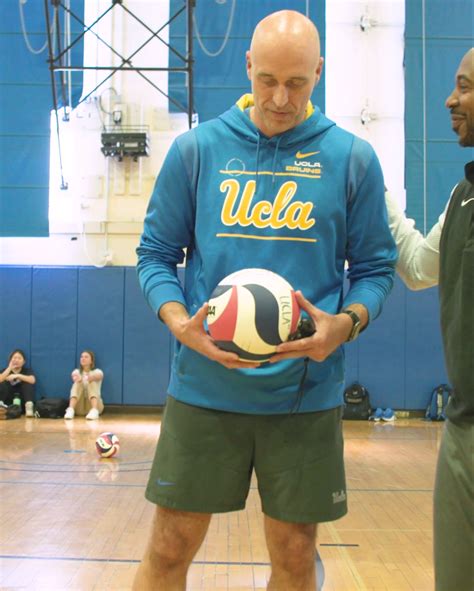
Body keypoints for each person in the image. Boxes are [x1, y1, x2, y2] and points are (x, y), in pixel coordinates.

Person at [134, 10, 397, 591]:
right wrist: (180, 323)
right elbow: (154, 254)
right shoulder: (197, 150)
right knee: (170, 545)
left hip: (304, 397)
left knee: (296, 555)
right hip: (205, 388)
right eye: (268, 79)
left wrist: (347, 323)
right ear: (248, 67)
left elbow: (377, 270)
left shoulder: (352, 159)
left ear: (319, 73)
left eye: (298, 83)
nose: (280, 98)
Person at [385, 48, 473, 591]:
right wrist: (381, 194)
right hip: (464, 431)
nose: (449, 98)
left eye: (464, 86)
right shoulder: (463, 195)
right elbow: (419, 268)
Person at [64, 350, 104, 420]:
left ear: (91, 361)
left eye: (86, 357)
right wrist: (79, 379)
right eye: (81, 357)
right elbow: (74, 376)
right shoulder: (76, 371)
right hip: (79, 408)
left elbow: (99, 376)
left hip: (95, 406)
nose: (83, 358)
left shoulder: (97, 371)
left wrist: (89, 377)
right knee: (77, 383)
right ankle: (70, 410)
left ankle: (94, 411)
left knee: (91, 382)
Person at [0, 349, 36, 417]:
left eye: (19, 358)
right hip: (8, 402)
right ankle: (1, 407)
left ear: (24, 362)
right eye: (14, 358)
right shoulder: (5, 371)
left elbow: (32, 380)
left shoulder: (27, 371)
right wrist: (9, 368)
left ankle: (29, 408)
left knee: (28, 383)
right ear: (10, 360)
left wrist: (17, 375)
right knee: (2, 382)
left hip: (22, 400)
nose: (16, 360)